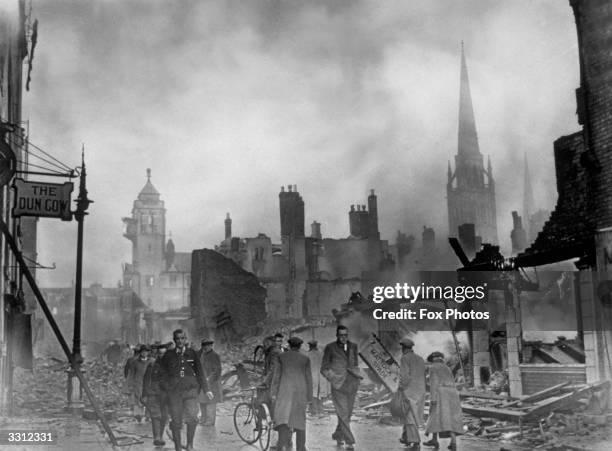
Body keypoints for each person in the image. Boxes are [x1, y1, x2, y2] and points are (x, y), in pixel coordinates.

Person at [160, 329, 213, 451]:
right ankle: (178, 447)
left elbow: (200, 372)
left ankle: (190, 445)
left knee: (192, 418)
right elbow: (161, 374)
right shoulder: (168, 355)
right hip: (174, 393)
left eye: (182, 338)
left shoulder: (192, 353)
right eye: (177, 338)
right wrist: (167, 388)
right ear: (174, 340)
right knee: (176, 421)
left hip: (190, 392)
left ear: (186, 339)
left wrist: (207, 389)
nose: (180, 341)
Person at [321, 325, 362, 450]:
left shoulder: (353, 346)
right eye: (341, 335)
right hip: (338, 385)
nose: (344, 338)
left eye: (346, 335)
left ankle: (338, 435)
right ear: (337, 335)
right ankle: (350, 441)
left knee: (347, 413)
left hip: (352, 384)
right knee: (343, 413)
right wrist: (333, 378)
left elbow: (355, 364)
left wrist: (357, 376)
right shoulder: (330, 348)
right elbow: (324, 368)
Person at [271, 336, 312, 451]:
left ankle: (281, 446)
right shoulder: (305, 359)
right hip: (300, 393)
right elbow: (309, 379)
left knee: (283, 420)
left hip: (284, 393)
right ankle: (301, 447)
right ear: (299, 346)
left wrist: (274, 393)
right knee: (300, 421)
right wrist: (309, 397)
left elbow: (277, 376)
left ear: (289, 345)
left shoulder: (281, 357)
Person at [423, 352, 463, 450]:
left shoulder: (433, 368)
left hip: (441, 394)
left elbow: (433, 384)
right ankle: (451, 442)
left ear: (433, 359)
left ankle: (435, 440)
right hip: (453, 394)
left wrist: (433, 399)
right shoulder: (447, 368)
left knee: (435, 415)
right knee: (450, 418)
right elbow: (452, 382)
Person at [398, 337, 426, 450]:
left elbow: (405, 377)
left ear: (404, 348)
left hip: (410, 391)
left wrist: (400, 388)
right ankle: (406, 437)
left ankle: (415, 442)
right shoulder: (420, 359)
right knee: (415, 415)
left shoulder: (405, 358)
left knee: (410, 417)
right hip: (421, 391)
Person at [142, 342, 169, 446]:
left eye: (164, 354)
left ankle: (160, 436)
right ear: (157, 354)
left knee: (164, 416)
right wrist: (144, 395)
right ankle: (156, 437)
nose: (162, 356)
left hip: (166, 395)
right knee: (155, 415)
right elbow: (146, 380)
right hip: (153, 393)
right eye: (160, 354)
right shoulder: (152, 365)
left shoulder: (172, 365)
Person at [198, 338, 222, 426]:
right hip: (203, 383)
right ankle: (203, 419)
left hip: (212, 383)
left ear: (211, 346)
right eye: (204, 345)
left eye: (208, 345)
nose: (205, 347)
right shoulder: (203, 355)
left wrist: (209, 379)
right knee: (202, 401)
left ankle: (210, 421)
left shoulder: (214, 355)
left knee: (211, 402)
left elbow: (217, 370)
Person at [126, 344, 151, 422]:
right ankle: (138, 416)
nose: (144, 353)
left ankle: (148, 416)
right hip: (138, 383)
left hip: (149, 383)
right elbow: (131, 374)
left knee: (149, 400)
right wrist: (129, 385)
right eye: (143, 352)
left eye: (146, 352)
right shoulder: (135, 362)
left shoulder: (152, 361)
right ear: (140, 352)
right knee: (138, 400)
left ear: (148, 353)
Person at [306, 339, 329, 416]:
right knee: (320, 394)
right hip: (321, 376)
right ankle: (320, 410)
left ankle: (313, 411)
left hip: (312, 375)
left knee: (312, 393)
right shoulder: (321, 354)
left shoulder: (308, 354)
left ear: (310, 346)